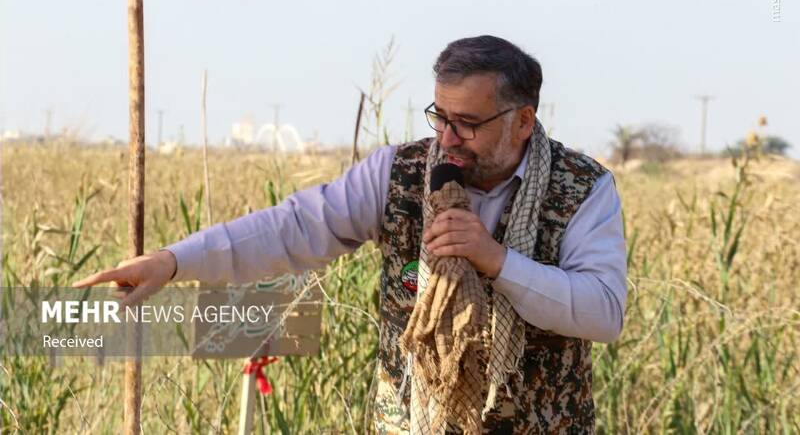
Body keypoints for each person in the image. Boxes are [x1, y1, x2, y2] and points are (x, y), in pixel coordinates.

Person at [74, 35, 627, 433]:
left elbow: (604, 312)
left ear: (523, 120)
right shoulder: (398, 171)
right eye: (441, 116)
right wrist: (172, 263)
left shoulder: (583, 189)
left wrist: (496, 261)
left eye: (469, 124)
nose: (449, 139)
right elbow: (293, 228)